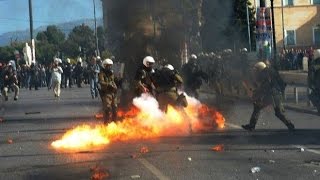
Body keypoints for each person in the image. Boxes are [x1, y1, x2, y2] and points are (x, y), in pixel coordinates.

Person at [242, 62, 295, 131]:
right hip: (273, 94)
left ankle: (290, 125)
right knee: (261, 108)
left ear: (260, 69)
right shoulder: (270, 72)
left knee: (275, 111)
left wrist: (256, 92)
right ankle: (290, 125)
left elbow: (265, 86)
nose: (255, 72)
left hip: (273, 95)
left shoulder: (265, 74)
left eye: (256, 70)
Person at [98, 58, 118, 123]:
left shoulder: (112, 74)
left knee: (115, 108)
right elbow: (101, 82)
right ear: (104, 66)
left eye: (110, 66)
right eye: (108, 66)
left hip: (113, 93)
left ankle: (114, 122)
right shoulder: (102, 73)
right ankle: (106, 123)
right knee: (107, 108)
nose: (109, 67)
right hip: (107, 93)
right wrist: (108, 84)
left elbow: (114, 81)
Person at [308, 49, 320, 114]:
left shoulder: (314, 64)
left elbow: (311, 76)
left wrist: (311, 84)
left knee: (313, 96)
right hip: (317, 84)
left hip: (317, 84)